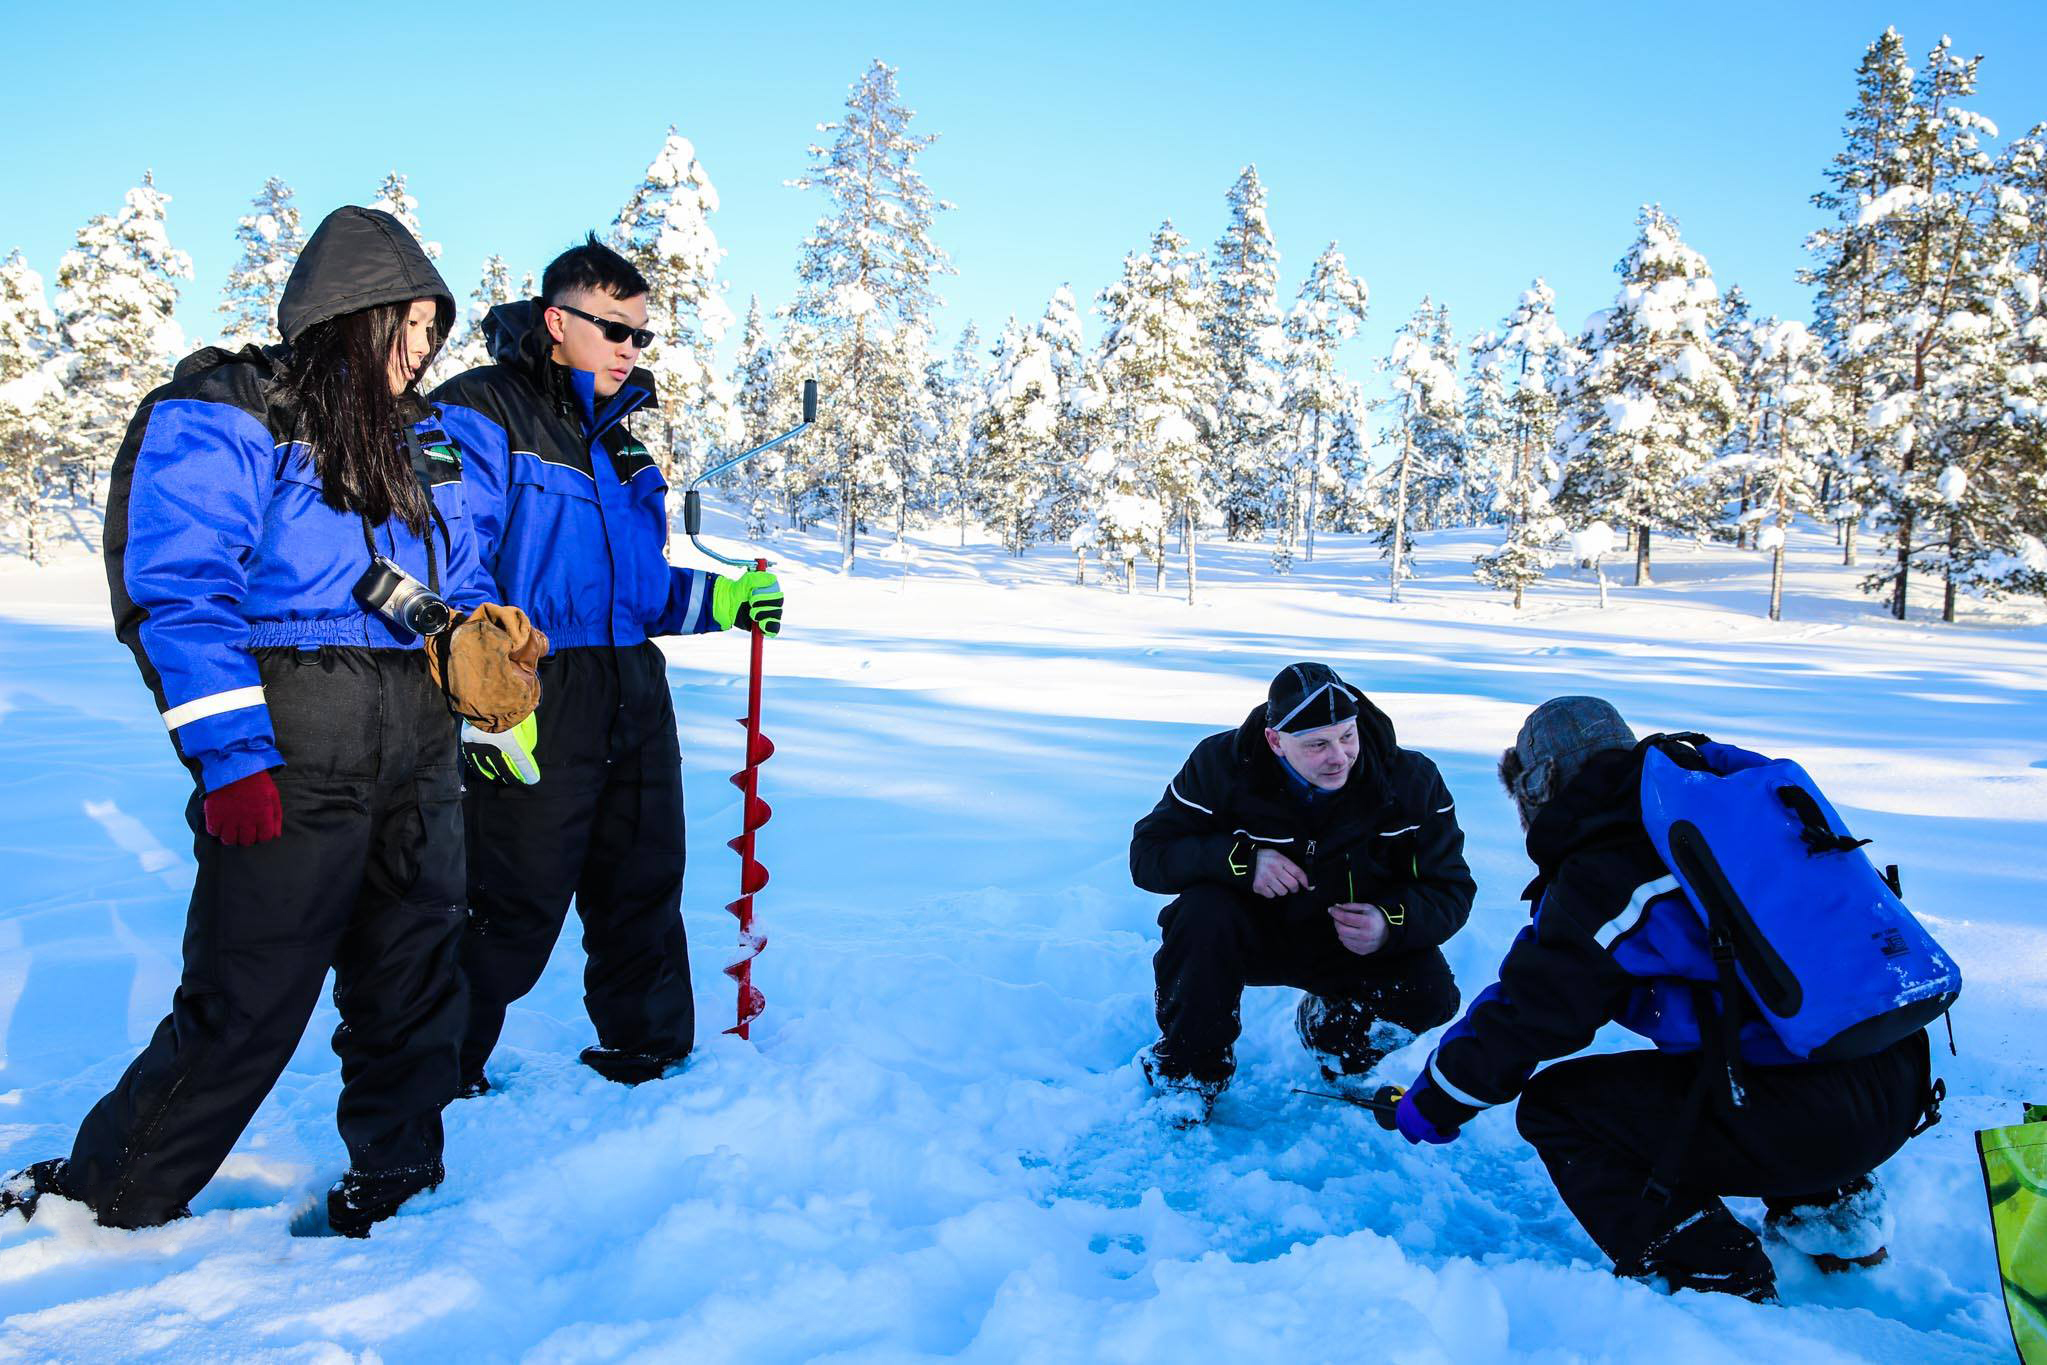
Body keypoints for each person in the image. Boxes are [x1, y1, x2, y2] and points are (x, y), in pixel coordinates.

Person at [1, 206, 537, 1237]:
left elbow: (464, 577)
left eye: (435, 328)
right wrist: (233, 757)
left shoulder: (425, 436)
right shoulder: (233, 405)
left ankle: (396, 1183)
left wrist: (492, 674)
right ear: (352, 311)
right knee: (249, 996)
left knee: (415, 977)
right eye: (409, 324)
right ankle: (112, 1198)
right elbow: (181, 589)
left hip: (418, 732)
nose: (425, 347)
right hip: (296, 728)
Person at [1392, 697, 1942, 1302]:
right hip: (1900, 1073)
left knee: (1558, 1109)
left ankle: (1710, 1272)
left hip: (1815, 1120)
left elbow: (1531, 1013)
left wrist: (1439, 1097)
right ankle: (1836, 1221)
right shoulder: (1722, 816)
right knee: (1744, 1039)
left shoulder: (1609, 863)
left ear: (1537, 787)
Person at [431, 235, 785, 1092]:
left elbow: (640, 587)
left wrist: (721, 601)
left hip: (631, 682)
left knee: (643, 876)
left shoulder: (624, 446)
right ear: (557, 321)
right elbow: (451, 560)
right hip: (533, 683)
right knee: (510, 894)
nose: (631, 349)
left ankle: (648, 1049)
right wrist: (491, 697)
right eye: (614, 329)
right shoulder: (479, 412)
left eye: (641, 336)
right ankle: (434, 1066)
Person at [1129, 662, 1474, 1125]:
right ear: (1275, 741)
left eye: (1346, 737)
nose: (1339, 757)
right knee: (1200, 915)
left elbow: (1450, 886)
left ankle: (1334, 1042)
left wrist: (1389, 920)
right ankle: (1189, 1072)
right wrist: (1241, 862)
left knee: (1430, 994)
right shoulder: (1222, 764)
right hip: (1248, 934)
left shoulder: (1410, 780)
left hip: (1350, 942)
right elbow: (1149, 855)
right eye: (1317, 744)